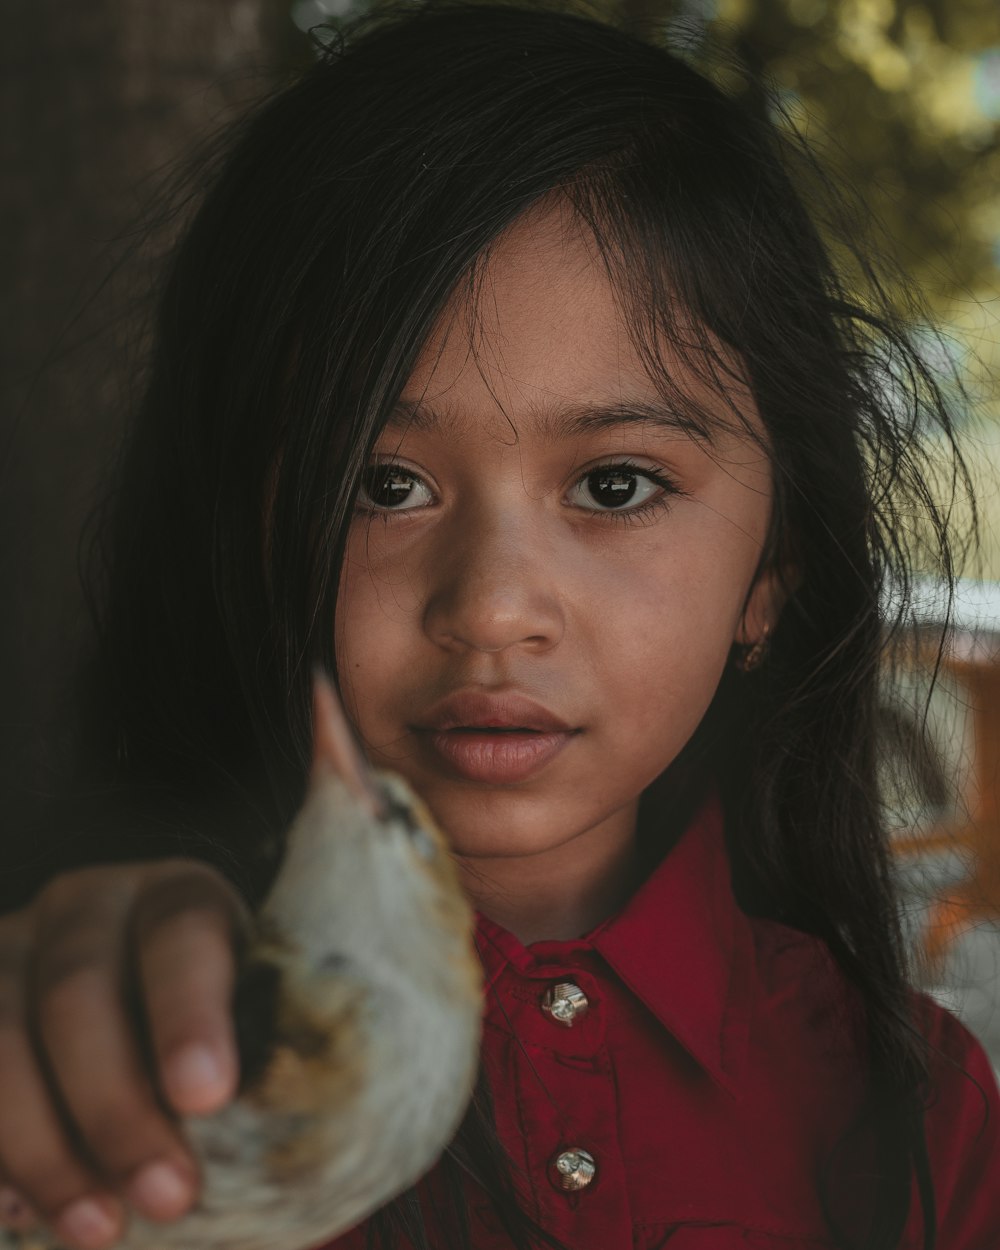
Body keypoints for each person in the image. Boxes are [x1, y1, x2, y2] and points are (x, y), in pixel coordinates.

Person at [1, 3, 997, 1248]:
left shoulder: (922, 1113)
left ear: (770, 568)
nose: (490, 608)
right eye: (384, 483)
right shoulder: (125, 1053)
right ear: (248, 529)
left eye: (616, 484)